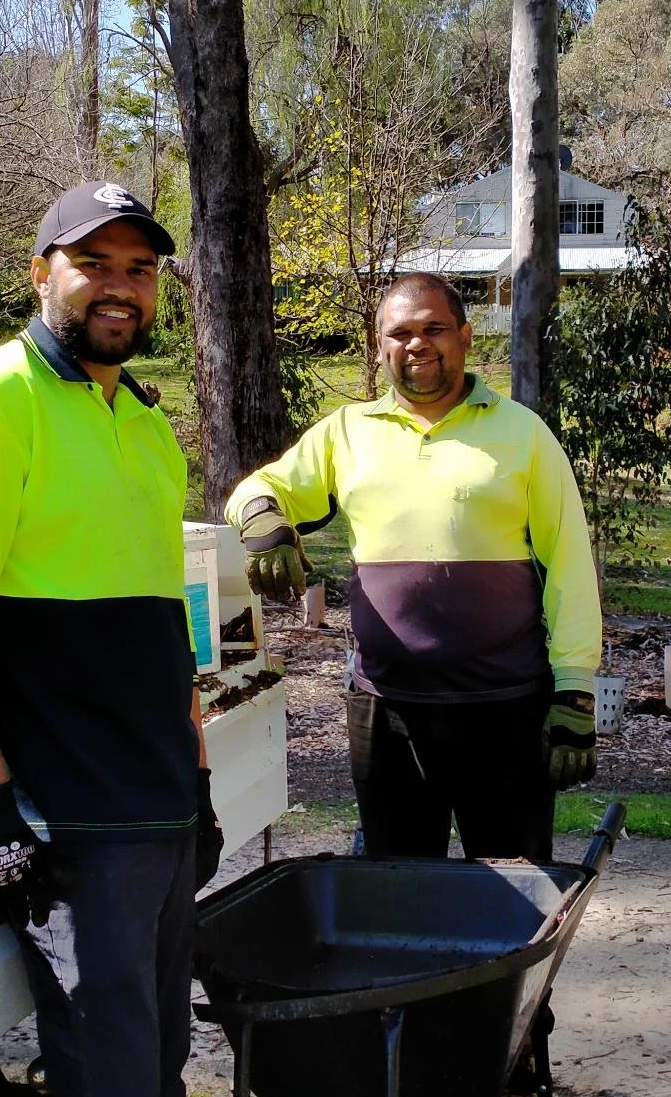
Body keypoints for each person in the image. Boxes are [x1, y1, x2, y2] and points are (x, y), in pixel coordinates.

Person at [0, 180, 224, 1097]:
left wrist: (198, 780)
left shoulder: (142, 422)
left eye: (139, 269)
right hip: (68, 817)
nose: (119, 288)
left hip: (157, 800)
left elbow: (163, 622)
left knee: (157, 1067)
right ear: (41, 273)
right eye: (94, 264)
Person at [224, 271, 603, 863]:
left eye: (434, 329)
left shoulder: (523, 434)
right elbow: (259, 486)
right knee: (395, 894)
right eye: (400, 333)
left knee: (516, 900)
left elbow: (570, 568)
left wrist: (576, 693)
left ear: (466, 337)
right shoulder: (347, 434)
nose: (418, 344)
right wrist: (265, 523)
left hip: (506, 709)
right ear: (381, 346)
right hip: (386, 710)